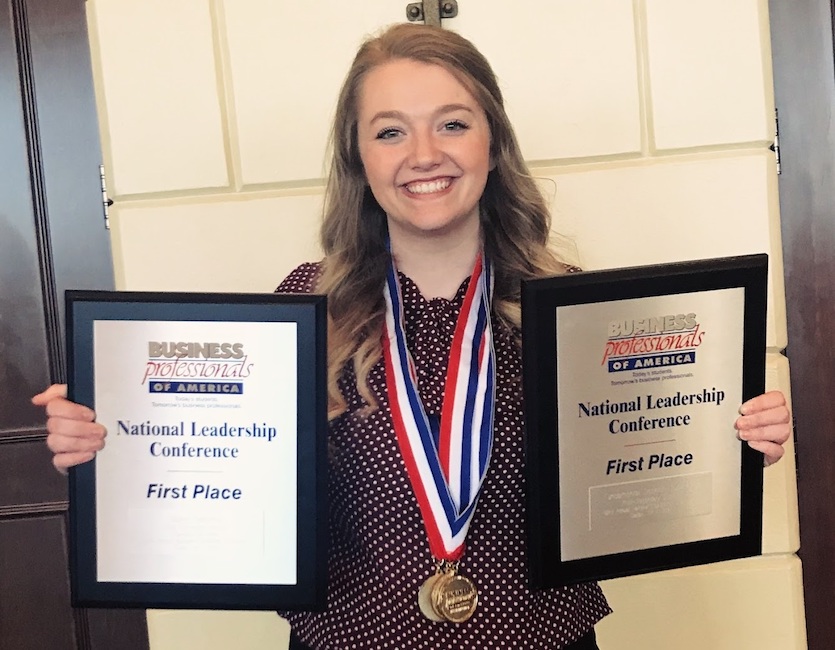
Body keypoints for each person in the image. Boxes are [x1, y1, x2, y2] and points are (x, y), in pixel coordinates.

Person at [33, 23, 791, 650]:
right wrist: (117, 442)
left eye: (452, 124)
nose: (423, 154)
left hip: (537, 638)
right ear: (359, 160)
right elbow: (231, 470)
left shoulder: (566, 306)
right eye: (390, 131)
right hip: (349, 637)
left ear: (491, 142)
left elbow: (646, 452)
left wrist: (728, 431)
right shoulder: (303, 306)